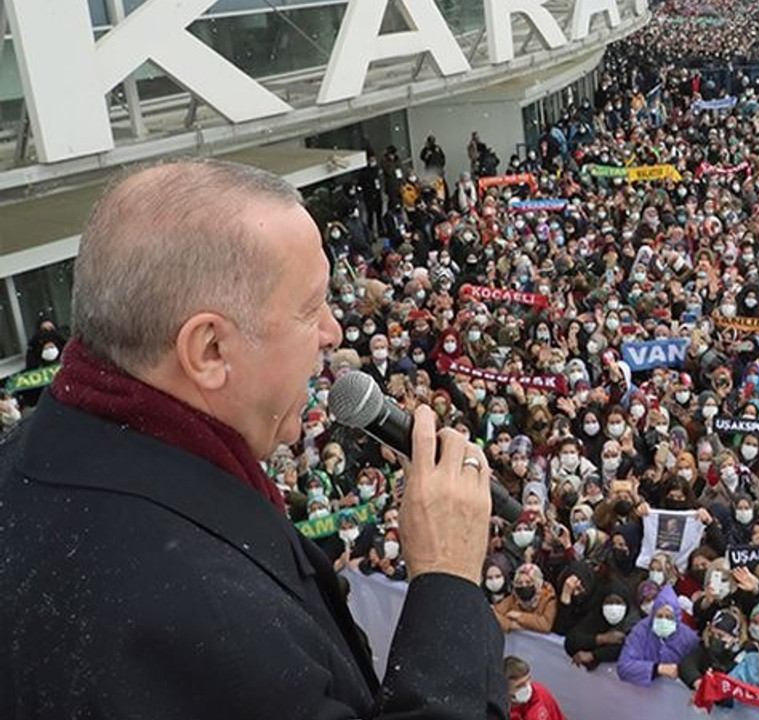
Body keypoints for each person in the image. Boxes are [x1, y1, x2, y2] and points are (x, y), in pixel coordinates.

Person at [0, 159, 505, 718]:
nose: (332, 333)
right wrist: (448, 582)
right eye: (310, 308)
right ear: (209, 350)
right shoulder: (199, 620)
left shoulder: (34, 461)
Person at [505, 655, 568, 720]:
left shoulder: (540, 693)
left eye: (528, 680)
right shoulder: (500, 711)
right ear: (504, 688)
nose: (527, 687)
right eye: (520, 685)